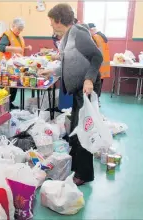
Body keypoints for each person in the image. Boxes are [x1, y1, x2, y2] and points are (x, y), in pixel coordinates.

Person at [39, 3, 103, 186]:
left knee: (84, 130)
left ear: (59, 21)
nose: (51, 27)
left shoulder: (79, 34)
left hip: (87, 88)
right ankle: (76, 165)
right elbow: (71, 63)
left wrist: (89, 79)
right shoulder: (68, 36)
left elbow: (97, 57)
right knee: (75, 127)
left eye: (52, 23)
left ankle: (83, 174)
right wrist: (53, 72)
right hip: (78, 90)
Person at [0, 18, 32, 109]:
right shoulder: (7, 35)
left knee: (15, 84)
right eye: (18, 29)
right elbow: (1, 48)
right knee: (7, 85)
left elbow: (19, 48)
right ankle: (4, 104)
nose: (19, 31)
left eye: (21, 30)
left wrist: (26, 48)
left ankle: (10, 102)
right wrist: (14, 49)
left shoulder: (19, 36)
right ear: (13, 26)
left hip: (16, 65)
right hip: (7, 65)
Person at [88, 23, 111, 104]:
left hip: (97, 65)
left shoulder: (95, 37)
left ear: (91, 30)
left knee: (95, 85)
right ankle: (97, 100)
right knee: (99, 84)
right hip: (104, 65)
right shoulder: (102, 37)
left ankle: (94, 102)